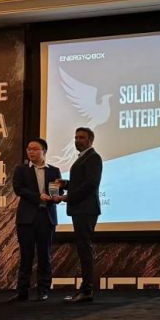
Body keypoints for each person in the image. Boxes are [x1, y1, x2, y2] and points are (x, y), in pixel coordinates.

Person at [54, 127, 102, 303]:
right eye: (76, 137)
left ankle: (87, 290)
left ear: (90, 140)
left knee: (84, 249)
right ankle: (85, 289)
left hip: (86, 209)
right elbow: (81, 182)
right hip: (81, 209)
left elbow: (90, 184)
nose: (77, 140)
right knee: (83, 248)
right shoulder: (83, 157)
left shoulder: (93, 157)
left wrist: (67, 197)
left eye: (81, 137)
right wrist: (66, 184)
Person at [10, 138, 62, 302]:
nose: (30, 152)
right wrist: (38, 196)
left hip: (46, 217)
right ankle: (22, 291)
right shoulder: (21, 170)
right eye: (29, 149)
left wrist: (56, 197)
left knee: (44, 255)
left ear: (43, 151)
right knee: (26, 255)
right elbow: (19, 189)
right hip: (27, 218)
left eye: (34, 149)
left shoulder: (54, 171)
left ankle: (43, 290)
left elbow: (55, 192)